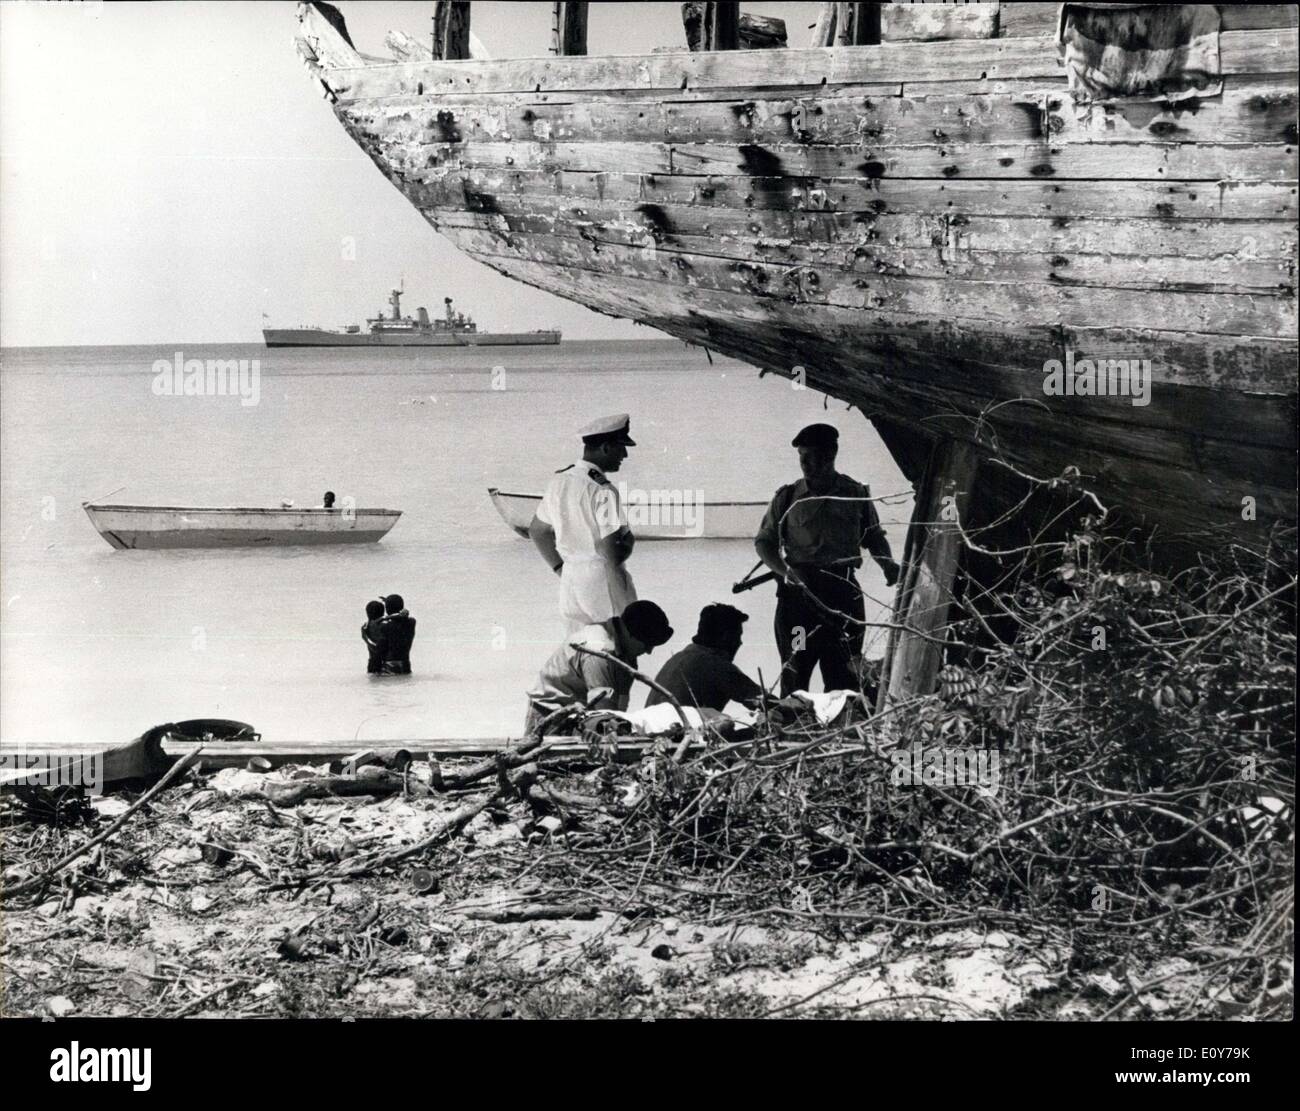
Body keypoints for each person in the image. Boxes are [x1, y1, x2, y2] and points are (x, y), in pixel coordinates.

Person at [755, 423, 901, 697]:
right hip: (800, 599)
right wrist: (783, 570)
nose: (806, 464)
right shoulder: (787, 497)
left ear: (831, 455)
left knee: (845, 674)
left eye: (813, 457)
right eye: (802, 458)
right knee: (796, 669)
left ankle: (842, 734)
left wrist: (888, 565)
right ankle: (794, 732)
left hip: (843, 594)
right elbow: (764, 542)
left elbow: (873, 537)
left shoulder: (855, 493)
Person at [528, 414, 638, 633]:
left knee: (578, 653)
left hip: (571, 580)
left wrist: (560, 567)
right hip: (602, 581)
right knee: (618, 649)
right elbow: (611, 554)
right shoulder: (602, 490)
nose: (624, 455)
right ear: (606, 448)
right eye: (621, 448)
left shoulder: (559, 481)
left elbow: (537, 531)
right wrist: (629, 541)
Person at [524, 599, 673, 733]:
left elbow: (619, 707)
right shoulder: (599, 651)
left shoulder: (627, 654)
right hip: (549, 713)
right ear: (630, 634)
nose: (649, 652)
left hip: (579, 713)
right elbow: (604, 713)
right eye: (647, 644)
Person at [647, 603, 763, 713]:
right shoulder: (714, 664)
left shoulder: (678, 658)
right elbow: (763, 701)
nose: (740, 643)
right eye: (738, 636)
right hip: (678, 732)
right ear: (726, 637)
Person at [379, 593, 416, 675]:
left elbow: (380, 648)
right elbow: (402, 617)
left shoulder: (384, 626)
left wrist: (386, 616)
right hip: (405, 663)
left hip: (390, 665)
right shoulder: (411, 622)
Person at [362, 599, 387, 675]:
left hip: (373, 661)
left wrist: (364, 637)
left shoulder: (367, 626)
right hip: (384, 661)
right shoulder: (384, 625)